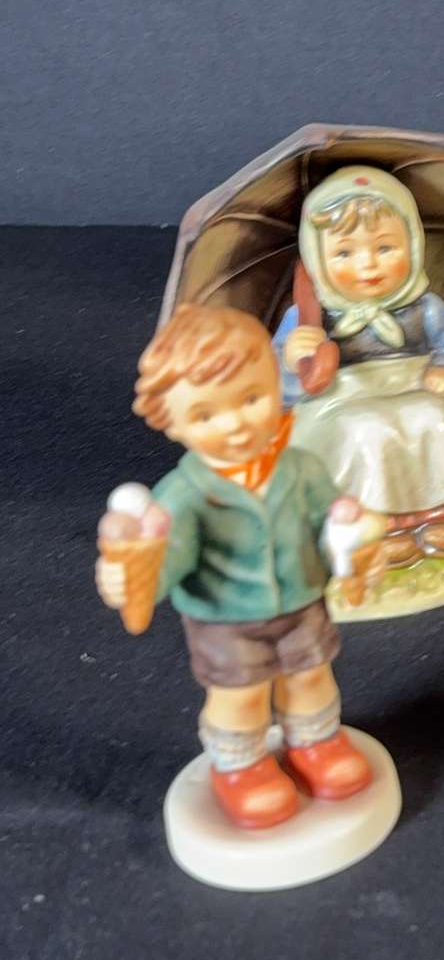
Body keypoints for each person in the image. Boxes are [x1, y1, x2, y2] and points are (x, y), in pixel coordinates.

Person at [95, 305, 384, 828]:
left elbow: (328, 519)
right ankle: (240, 766)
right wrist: (132, 575)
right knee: (241, 696)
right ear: (170, 421)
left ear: (276, 383)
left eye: (252, 399)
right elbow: (166, 561)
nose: (234, 423)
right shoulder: (181, 497)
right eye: (205, 415)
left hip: (301, 601)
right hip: (225, 621)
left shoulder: (301, 468)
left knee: (311, 677)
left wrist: (350, 531)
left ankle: (315, 742)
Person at [276, 166, 444, 564]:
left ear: (413, 244)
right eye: (345, 253)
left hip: (413, 390)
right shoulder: (308, 317)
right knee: (366, 430)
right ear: (316, 260)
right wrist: (294, 361)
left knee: (434, 416)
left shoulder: (425, 307)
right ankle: (379, 528)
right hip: (339, 405)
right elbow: (271, 388)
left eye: (385, 248)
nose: (368, 266)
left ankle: (443, 516)